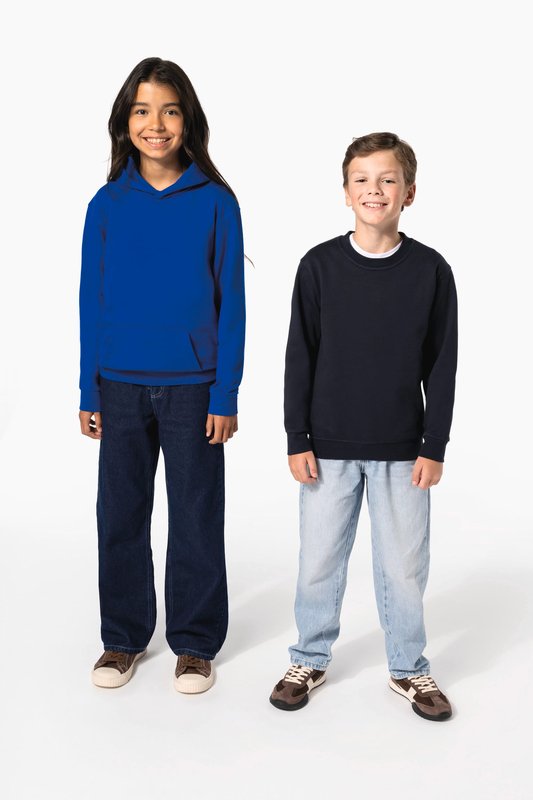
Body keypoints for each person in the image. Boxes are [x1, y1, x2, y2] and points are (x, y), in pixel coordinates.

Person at [270, 132, 458, 721]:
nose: (374, 190)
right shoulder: (319, 266)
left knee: (404, 567)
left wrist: (434, 444)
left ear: (409, 192)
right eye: (362, 180)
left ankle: (408, 667)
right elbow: (299, 355)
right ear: (346, 191)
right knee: (318, 562)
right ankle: (309, 657)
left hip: (404, 450)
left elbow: (442, 363)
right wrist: (297, 437)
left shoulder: (430, 271)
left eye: (387, 180)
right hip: (326, 447)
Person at [79, 57, 245, 694]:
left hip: (194, 387)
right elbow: (91, 300)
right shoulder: (106, 204)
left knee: (197, 516)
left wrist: (224, 392)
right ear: (125, 121)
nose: (156, 123)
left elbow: (232, 305)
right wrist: (88, 386)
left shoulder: (216, 202)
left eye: (170, 110)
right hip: (119, 385)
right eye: (143, 110)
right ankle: (122, 638)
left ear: (188, 120)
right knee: (120, 514)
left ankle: (195, 644)